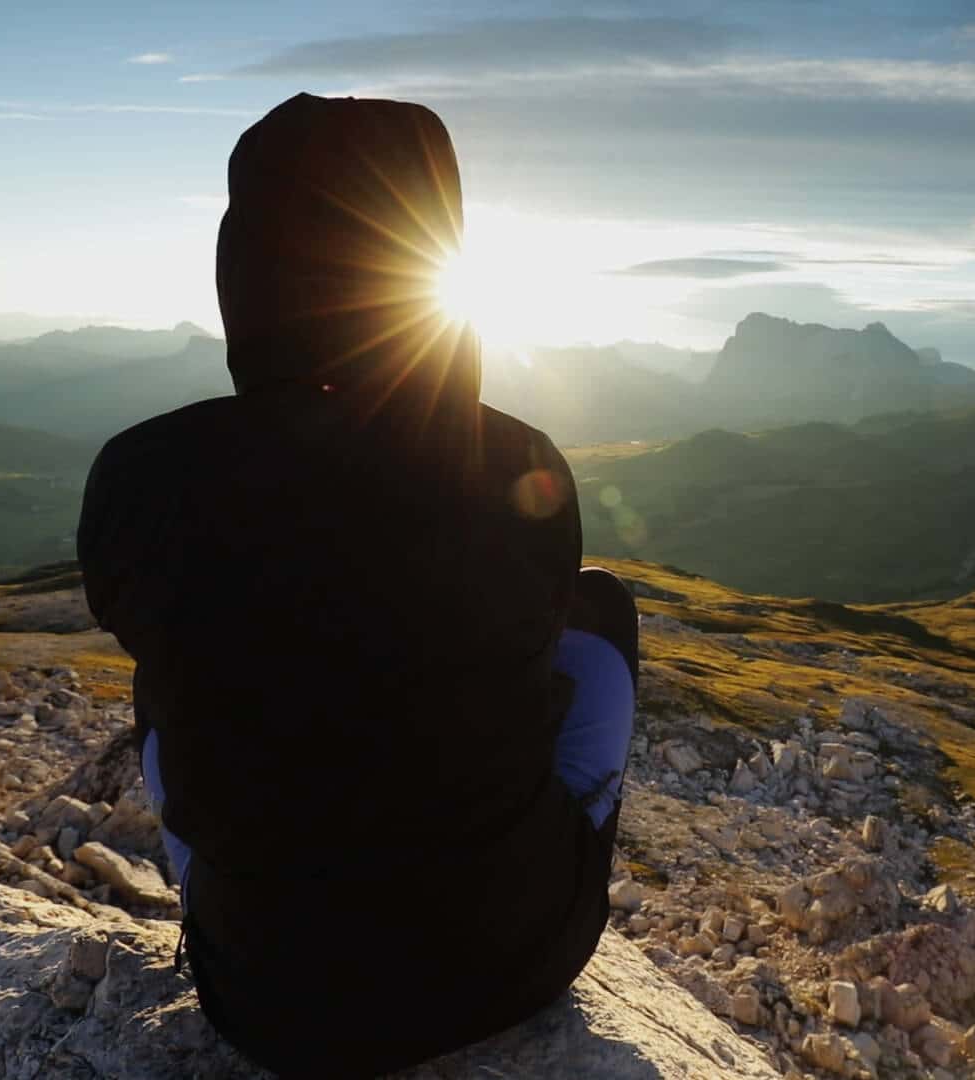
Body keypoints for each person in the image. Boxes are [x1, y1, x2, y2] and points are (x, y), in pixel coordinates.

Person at [75, 93, 639, 1077]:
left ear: (241, 264)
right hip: (515, 963)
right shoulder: (516, 458)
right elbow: (535, 633)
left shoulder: (142, 473)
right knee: (603, 614)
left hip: (265, 996)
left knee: (158, 689)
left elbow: (138, 623)